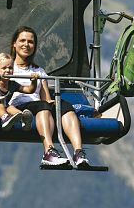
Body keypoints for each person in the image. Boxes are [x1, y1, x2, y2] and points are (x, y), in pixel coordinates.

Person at [8, 26, 91, 168]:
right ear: (14, 44)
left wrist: (57, 105)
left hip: (38, 104)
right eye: (22, 40)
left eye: (30, 42)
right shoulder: (8, 68)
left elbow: (45, 97)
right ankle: (49, 151)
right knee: (42, 106)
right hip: (18, 105)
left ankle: (78, 152)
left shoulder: (39, 71)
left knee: (65, 106)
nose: (26, 45)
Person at [0, 52, 36, 131]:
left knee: (11, 107)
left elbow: (29, 90)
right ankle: (5, 119)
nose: (8, 70)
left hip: (5, 107)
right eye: (4, 68)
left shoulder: (12, 84)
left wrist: (34, 81)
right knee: (0, 106)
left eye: (10, 68)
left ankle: (23, 119)